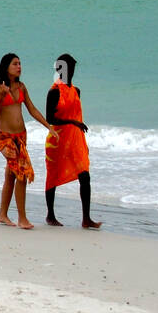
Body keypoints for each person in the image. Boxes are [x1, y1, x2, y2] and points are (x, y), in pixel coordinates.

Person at [0, 53, 52, 230]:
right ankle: (22, 218)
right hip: (5, 138)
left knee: (11, 175)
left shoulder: (21, 86)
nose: (19, 66)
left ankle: (2, 215)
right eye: (15, 64)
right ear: (6, 66)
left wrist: (49, 126)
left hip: (21, 137)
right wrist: (1, 96)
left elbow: (32, 109)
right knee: (21, 174)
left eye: (20, 63)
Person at [44, 54, 101, 229]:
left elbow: (77, 115)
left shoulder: (77, 91)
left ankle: (86, 218)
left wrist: (82, 138)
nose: (72, 71)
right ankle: (50, 215)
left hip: (76, 141)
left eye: (73, 67)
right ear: (60, 70)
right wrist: (72, 122)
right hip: (58, 140)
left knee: (85, 175)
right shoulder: (54, 92)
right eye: (68, 67)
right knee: (53, 177)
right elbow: (49, 119)